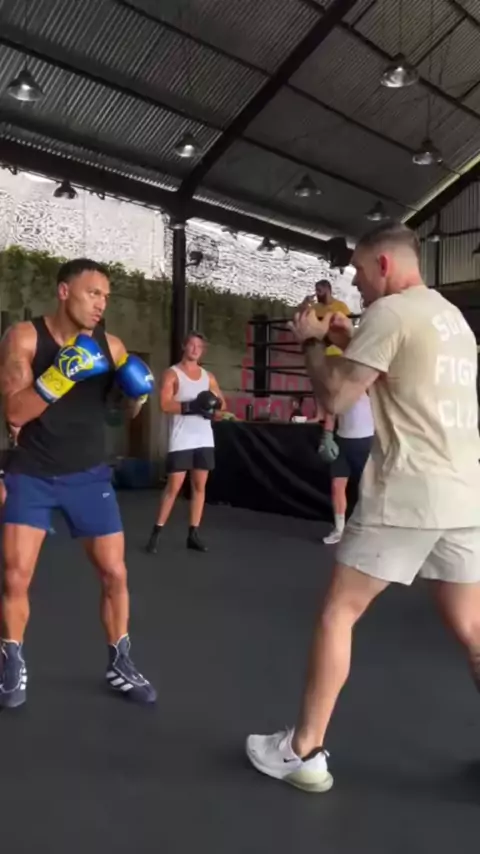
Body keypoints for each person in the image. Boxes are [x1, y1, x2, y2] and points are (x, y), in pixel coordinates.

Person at [246, 221, 480, 793]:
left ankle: (302, 751)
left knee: (339, 612)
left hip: (408, 492)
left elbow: (334, 395)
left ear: (383, 265)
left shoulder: (391, 313)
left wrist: (309, 340)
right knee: (474, 628)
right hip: (464, 494)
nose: (354, 283)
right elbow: (402, 369)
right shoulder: (451, 318)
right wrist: (348, 336)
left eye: (357, 271)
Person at [0, 258, 157, 708]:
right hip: (31, 471)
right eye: (93, 293)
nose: (101, 304)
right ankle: (11, 660)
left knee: (115, 572)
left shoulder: (112, 346)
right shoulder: (25, 338)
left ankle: (120, 661)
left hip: (88, 474)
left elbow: (127, 412)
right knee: (15, 575)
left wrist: (137, 395)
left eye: (106, 296)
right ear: (64, 291)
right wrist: (59, 375)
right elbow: (14, 412)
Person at [146, 331, 225, 554]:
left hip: (204, 438)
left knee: (199, 487)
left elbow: (222, 405)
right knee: (173, 487)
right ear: (184, 346)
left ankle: (193, 534)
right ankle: (156, 533)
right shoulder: (172, 374)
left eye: (199, 346)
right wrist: (193, 407)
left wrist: (214, 410)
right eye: (192, 345)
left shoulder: (208, 377)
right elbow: (164, 405)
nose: (195, 349)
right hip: (181, 439)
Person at [320, 393, 374, 545]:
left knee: (367, 487)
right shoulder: (339, 389)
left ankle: (369, 529)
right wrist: (327, 436)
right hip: (342, 441)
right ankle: (339, 530)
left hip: (366, 440)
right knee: (337, 485)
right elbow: (331, 411)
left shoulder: (370, 386)